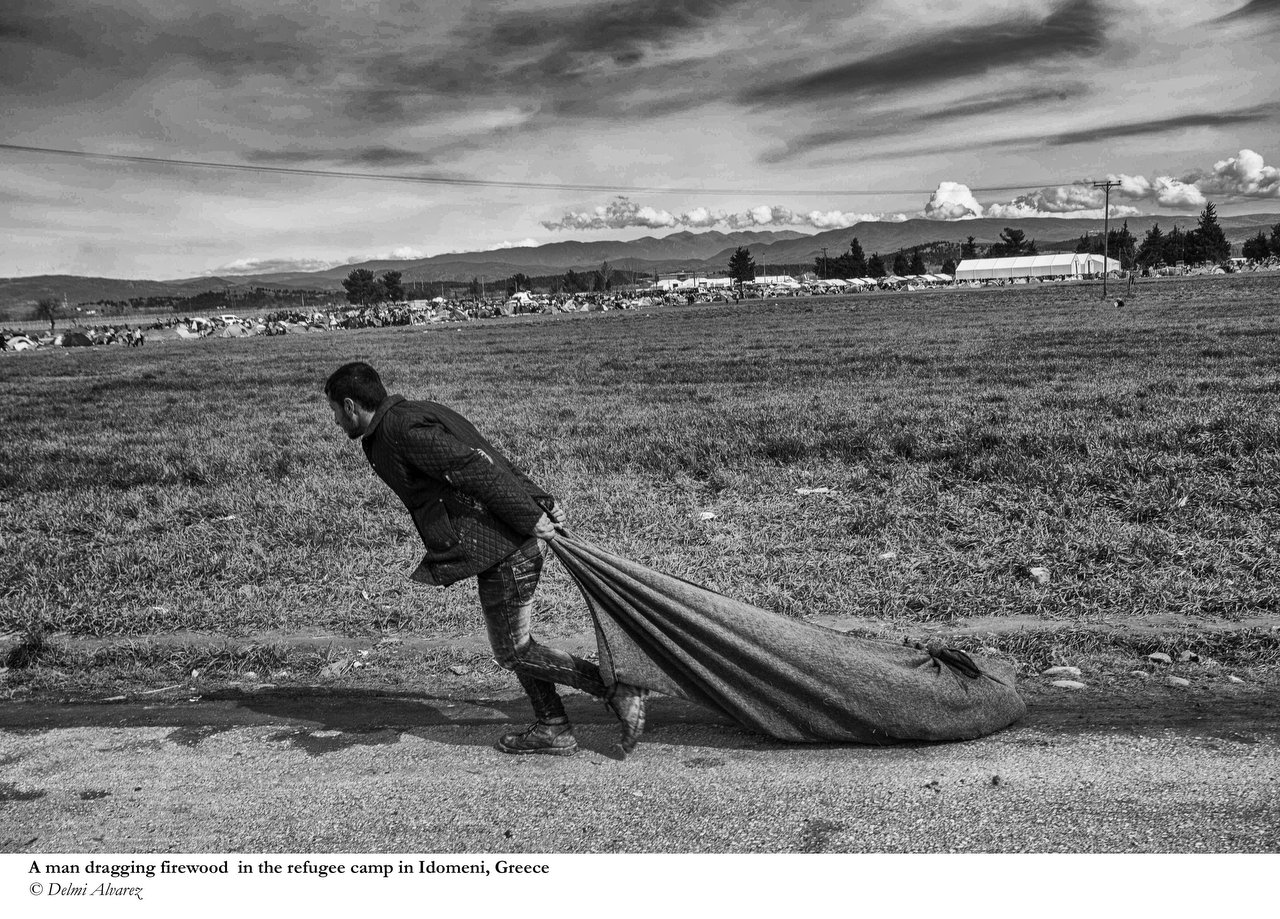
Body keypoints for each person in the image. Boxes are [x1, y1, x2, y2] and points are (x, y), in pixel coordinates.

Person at [324, 361, 647, 757]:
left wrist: (532, 515)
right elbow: (490, 455)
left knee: (513, 651)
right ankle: (552, 726)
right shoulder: (416, 413)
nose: (336, 421)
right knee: (518, 641)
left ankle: (616, 688)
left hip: (506, 544)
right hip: (494, 542)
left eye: (335, 411)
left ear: (351, 405)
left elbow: (476, 467)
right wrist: (540, 501)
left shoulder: (402, 430)